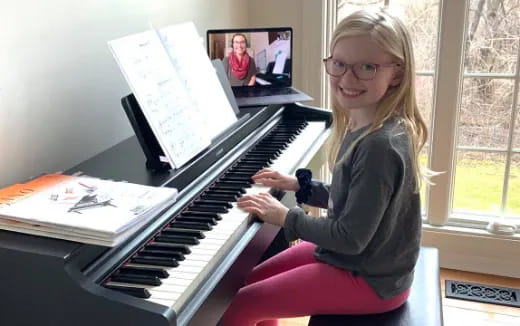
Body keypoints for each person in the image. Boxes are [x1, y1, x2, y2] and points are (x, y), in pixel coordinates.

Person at [220, 8, 433, 326]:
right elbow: (353, 201)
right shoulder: (366, 121)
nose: (347, 79)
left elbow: (350, 237)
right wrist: (299, 186)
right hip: (359, 260)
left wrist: (285, 217)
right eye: (339, 64)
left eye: (367, 67)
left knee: (240, 303)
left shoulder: (379, 145)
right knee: (248, 281)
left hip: (371, 279)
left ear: (397, 74)